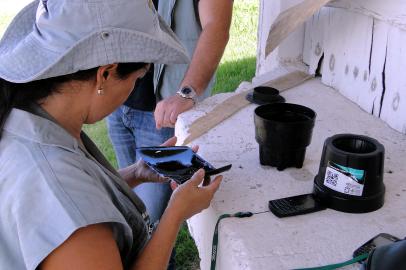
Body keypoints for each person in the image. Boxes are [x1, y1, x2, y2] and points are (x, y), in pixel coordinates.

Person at [0, 0, 223, 269]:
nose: (134, 87)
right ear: (105, 74)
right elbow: (70, 202)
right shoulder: (58, 191)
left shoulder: (30, 119)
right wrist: (175, 214)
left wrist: (136, 172)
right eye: (137, 78)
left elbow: (83, 196)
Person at [107, 0, 233, 225]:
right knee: (127, 201)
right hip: (116, 102)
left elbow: (216, 26)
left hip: (160, 114)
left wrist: (186, 93)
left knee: (152, 219)